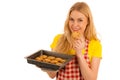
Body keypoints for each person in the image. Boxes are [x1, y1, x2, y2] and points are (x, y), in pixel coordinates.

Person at [41, 2, 102, 80]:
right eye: (71, 19)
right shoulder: (58, 39)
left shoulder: (95, 45)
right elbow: (52, 75)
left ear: (88, 22)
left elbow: (92, 79)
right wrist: (43, 65)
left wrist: (79, 54)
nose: (74, 25)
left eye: (80, 20)